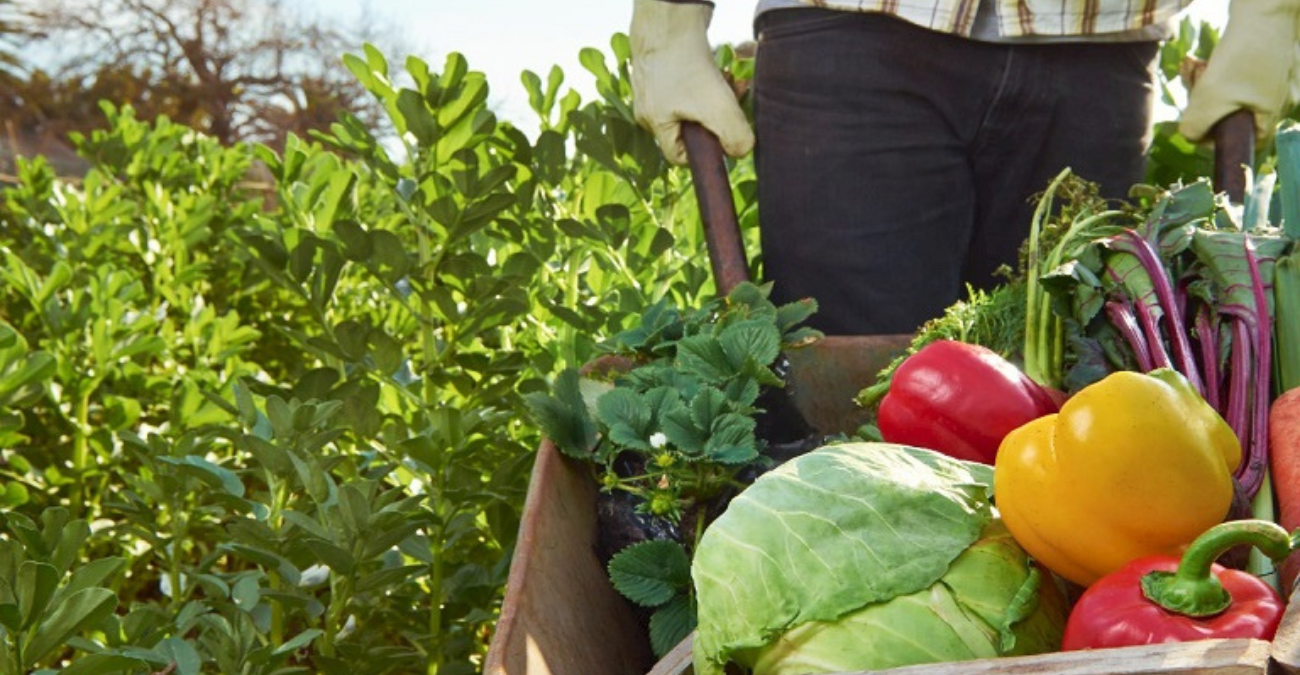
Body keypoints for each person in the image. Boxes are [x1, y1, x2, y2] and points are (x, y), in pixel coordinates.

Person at [629, 0, 1300, 336]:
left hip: (1100, 44)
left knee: (1076, 400)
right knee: (847, 433)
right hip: (850, 34)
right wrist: (668, 25)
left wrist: (1270, 13)